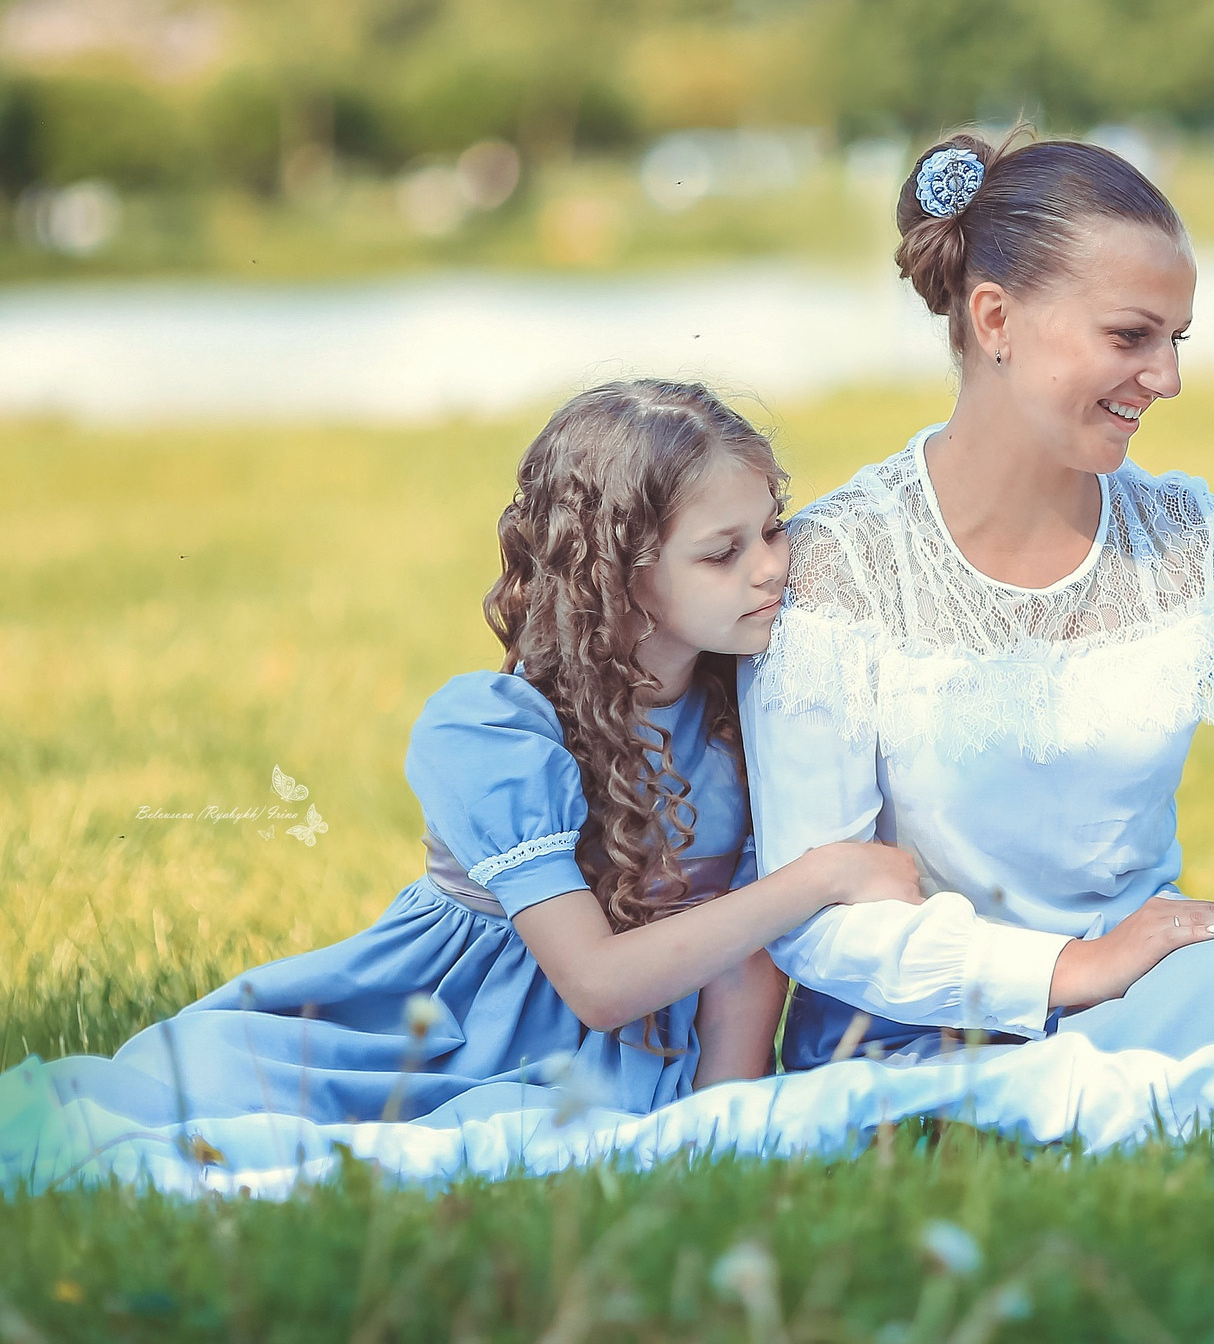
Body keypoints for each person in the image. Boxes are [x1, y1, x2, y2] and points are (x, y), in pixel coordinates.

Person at [742, 129, 1214, 1081]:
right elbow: (819, 912)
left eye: (1175, 341)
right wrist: (1071, 968)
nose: (1167, 378)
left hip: (1157, 997)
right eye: (1131, 337)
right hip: (917, 1034)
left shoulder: (1195, 545)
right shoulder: (839, 569)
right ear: (995, 319)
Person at [28, 380, 921, 1132]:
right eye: (722, 552)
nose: (770, 567)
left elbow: (742, 960)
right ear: (616, 575)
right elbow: (600, 984)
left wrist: (723, 1123)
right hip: (426, 1044)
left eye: (772, 529)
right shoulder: (492, 730)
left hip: (639, 1066)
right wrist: (822, 877)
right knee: (194, 1130)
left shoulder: (754, 712)